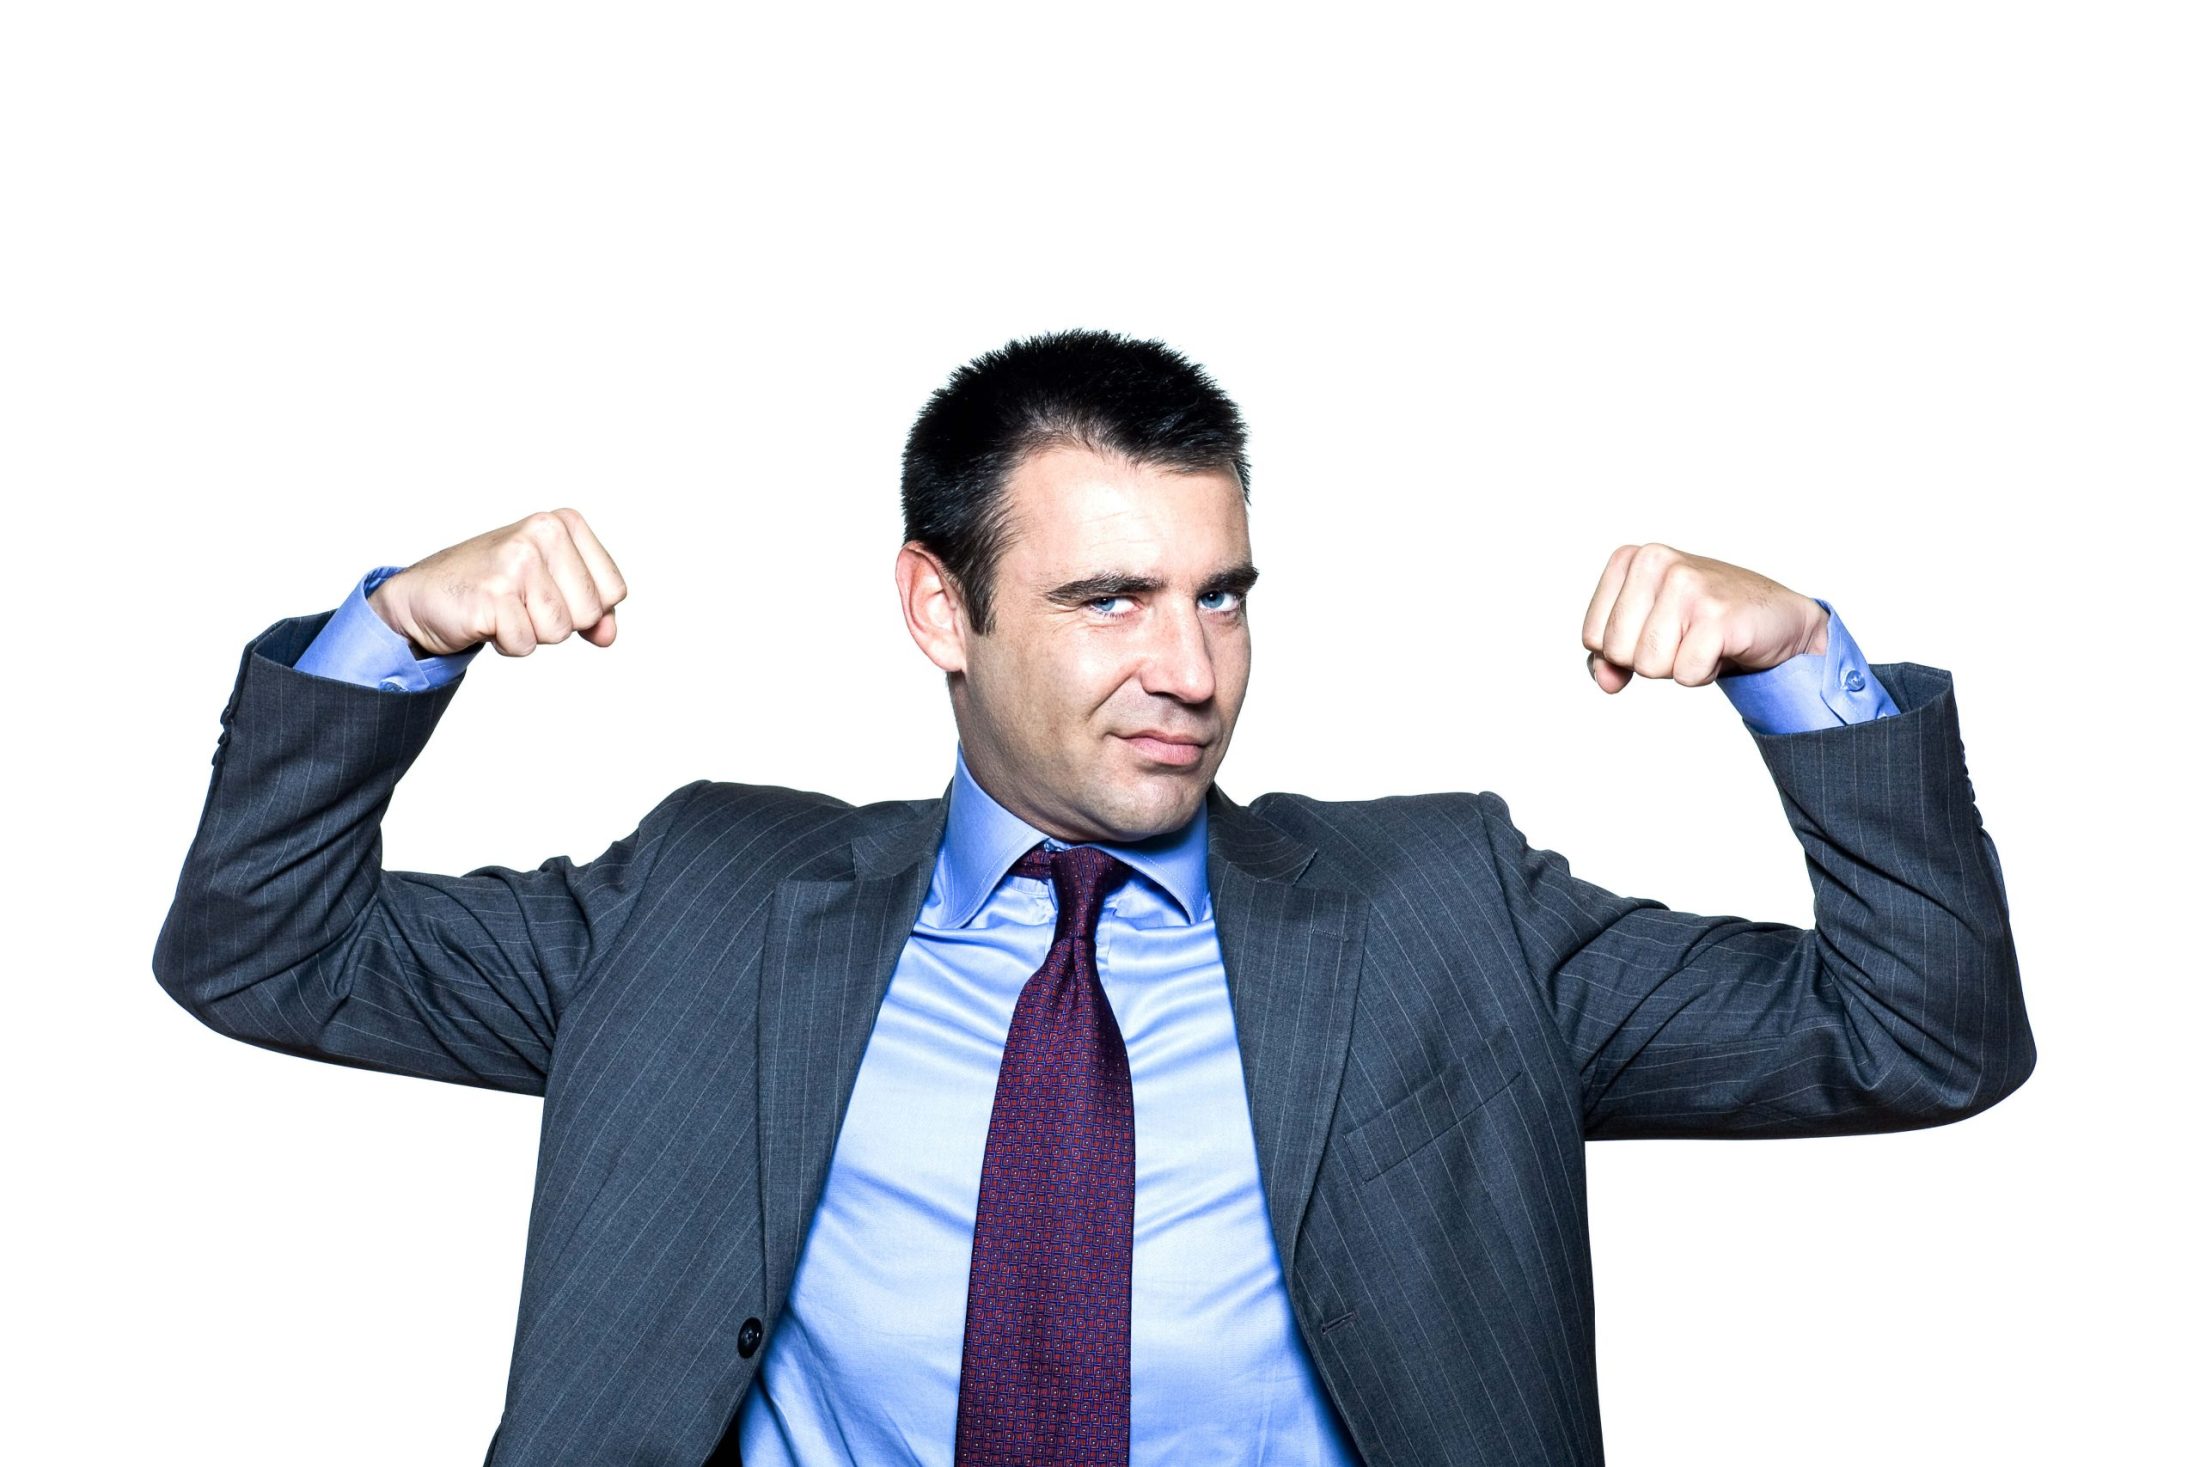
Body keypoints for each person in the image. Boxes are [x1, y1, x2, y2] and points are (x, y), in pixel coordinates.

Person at [154, 329, 2034, 1467]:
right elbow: (262, 946)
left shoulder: (1444, 905)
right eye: (1108, 600)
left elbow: (1917, 1038)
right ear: (936, 610)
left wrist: (1802, 664)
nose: (1191, 668)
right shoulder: (710, 901)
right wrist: (396, 632)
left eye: (1221, 595)